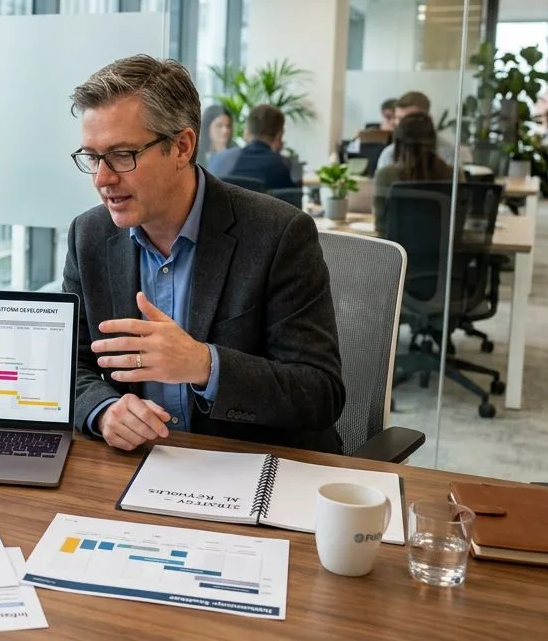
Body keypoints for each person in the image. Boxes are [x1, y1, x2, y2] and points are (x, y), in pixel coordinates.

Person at [63, 54, 345, 454]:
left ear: (182, 146)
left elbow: (319, 393)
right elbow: (70, 367)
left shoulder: (279, 234)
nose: (101, 178)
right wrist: (104, 410)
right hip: (137, 465)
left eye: (122, 155)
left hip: (248, 467)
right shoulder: (88, 235)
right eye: (92, 157)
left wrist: (204, 365)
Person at [373, 113, 458, 234]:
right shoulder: (453, 175)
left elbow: (380, 227)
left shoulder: (386, 175)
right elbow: (458, 226)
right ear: (434, 141)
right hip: (443, 252)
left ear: (397, 142)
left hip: (398, 251)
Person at [207, 104, 295, 192]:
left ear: (246, 132)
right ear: (279, 135)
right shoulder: (282, 166)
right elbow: (290, 202)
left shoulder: (218, 159)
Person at [375, 91, 437, 171]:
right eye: (399, 118)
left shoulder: (448, 153)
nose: (401, 124)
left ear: (427, 119)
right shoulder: (388, 154)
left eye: (409, 119)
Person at [200, 105, 235, 169]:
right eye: (219, 126)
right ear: (207, 128)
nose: (225, 131)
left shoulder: (235, 150)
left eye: (228, 126)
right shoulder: (195, 153)